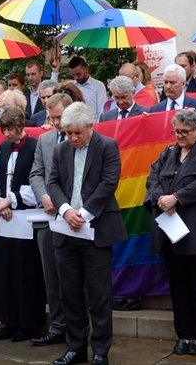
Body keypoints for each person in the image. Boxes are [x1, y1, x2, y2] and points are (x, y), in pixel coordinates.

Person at [45, 103, 127, 365]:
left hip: (96, 231)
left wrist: (85, 214)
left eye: (77, 133)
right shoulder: (61, 149)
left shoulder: (107, 146)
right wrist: (67, 210)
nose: (73, 138)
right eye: (69, 133)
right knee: (69, 293)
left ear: (91, 127)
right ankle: (75, 347)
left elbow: (109, 182)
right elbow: (53, 183)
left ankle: (100, 350)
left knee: (99, 295)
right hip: (66, 232)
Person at [145, 109, 196, 356]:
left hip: (195, 229)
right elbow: (152, 177)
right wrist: (160, 198)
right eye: (176, 131)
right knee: (177, 285)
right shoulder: (168, 152)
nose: (179, 136)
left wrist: (177, 197)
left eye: (184, 132)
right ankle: (183, 334)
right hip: (169, 228)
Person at [0, 109, 46, 342]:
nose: (7, 134)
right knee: (5, 269)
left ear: (20, 126)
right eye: (4, 129)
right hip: (5, 217)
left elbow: (39, 181)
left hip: (27, 217)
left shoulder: (35, 146)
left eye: (10, 129)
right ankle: (8, 320)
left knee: (26, 271)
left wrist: (12, 198)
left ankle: (28, 323)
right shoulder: (2, 148)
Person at [28, 92, 73, 347]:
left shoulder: (83, 137)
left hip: (75, 219)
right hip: (47, 217)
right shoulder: (44, 140)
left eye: (59, 117)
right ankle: (57, 326)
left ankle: (77, 326)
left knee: (75, 277)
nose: (55, 122)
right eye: (51, 117)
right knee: (51, 276)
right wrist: (43, 195)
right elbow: (36, 173)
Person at [148, 64, 196, 134]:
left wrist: (193, 122)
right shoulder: (155, 110)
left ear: (183, 84)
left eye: (172, 82)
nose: (168, 86)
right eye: (166, 82)